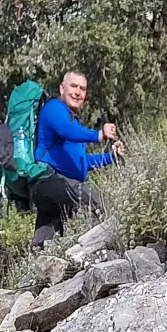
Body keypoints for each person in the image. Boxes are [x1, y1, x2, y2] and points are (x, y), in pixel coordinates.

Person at [30, 70, 121, 248]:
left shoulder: (74, 123)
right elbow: (65, 130)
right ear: (62, 88)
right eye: (73, 86)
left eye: (82, 89)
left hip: (54, 189)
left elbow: (81, 163)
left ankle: (38, 260)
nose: (78, 92)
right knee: (100, 205)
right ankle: (108, 251)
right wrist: (98, 135)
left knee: (45, 241)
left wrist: (112, 157)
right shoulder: (54, 108)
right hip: (50, 180)